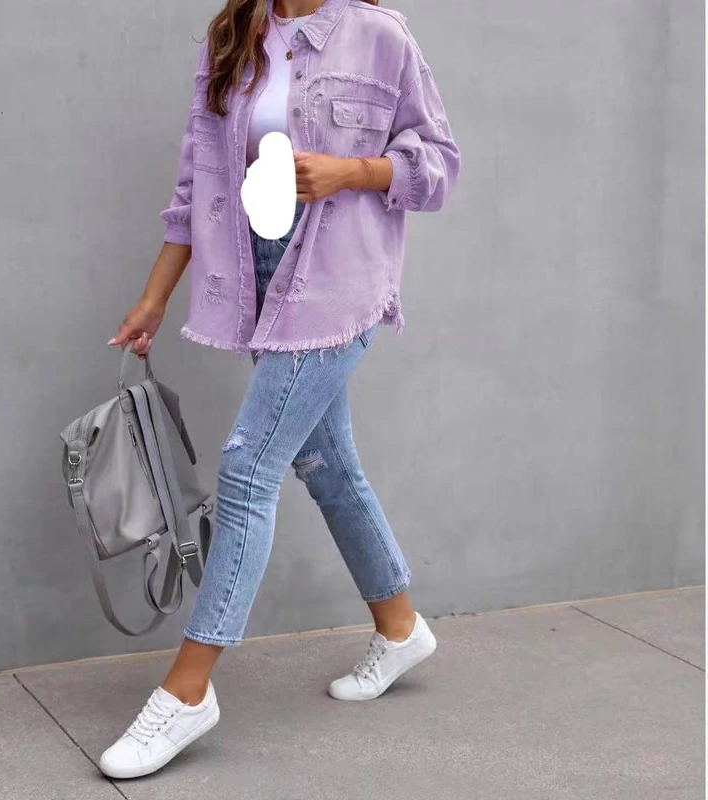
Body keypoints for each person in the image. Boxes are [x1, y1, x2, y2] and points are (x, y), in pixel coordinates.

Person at [100, 0, 460, 779]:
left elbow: (438, 165)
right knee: (326, 465)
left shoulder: (379, 35)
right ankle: (401, 627)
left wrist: (353, 172)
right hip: (256, 282)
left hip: (338, 282)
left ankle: (188, 691)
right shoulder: (234, 35)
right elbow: (196, 186)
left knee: (247, 470)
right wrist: (155, 297)